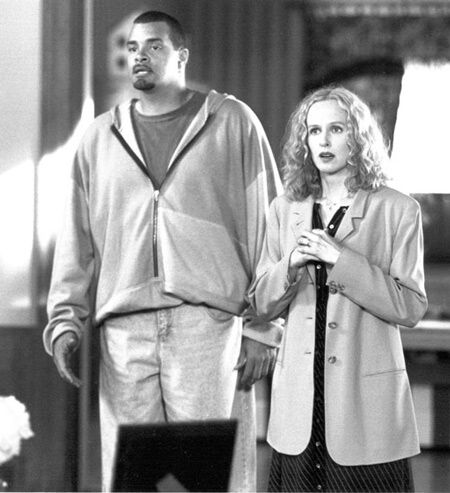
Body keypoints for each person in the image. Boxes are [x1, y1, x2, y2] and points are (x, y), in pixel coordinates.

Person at [43, 10, 282, 492]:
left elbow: (270, 228)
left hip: (206, 327)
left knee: (212, 479)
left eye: (153, 46)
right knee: (131, 480)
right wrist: (66, 319)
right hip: (124, 332)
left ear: (181, 56)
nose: (139, 56)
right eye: (133, 48)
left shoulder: (232, 122)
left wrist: (264, 327)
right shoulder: (99, 138)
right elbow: (75, 240)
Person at [249, 86, 428, 492]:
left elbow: (411, 307)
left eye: (336, 129)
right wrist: (290, 264)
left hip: (366, 412)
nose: (324, 141)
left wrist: (341, 260)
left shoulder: (398, 209)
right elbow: (261, 303)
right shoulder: (284, 209)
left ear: (357, 137)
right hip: (298, 410)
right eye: (314, 131)